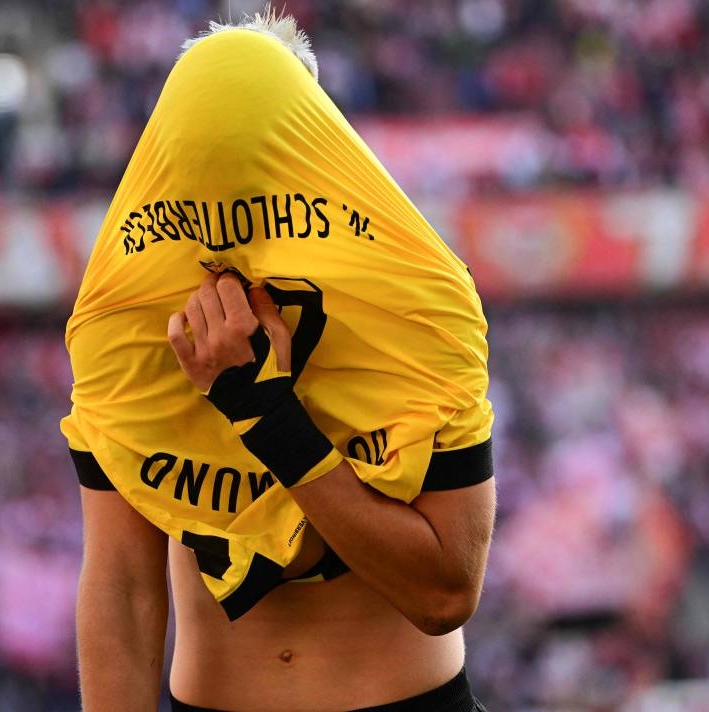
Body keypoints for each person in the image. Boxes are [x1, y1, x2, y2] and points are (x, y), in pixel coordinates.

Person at [63, 11, 495, 711]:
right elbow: (122, 584)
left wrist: (265, 412)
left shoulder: (416, 303)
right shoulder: (131, 312)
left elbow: (445, 592)